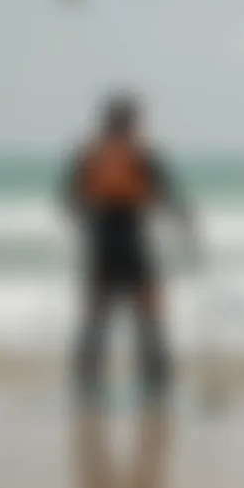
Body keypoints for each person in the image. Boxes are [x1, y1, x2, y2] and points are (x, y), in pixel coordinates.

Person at [62, 91, 192, 401]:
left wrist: (90, 218)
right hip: (134, 241)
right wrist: (186, 220)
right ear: (133, 123)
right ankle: (157, 385)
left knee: (96, 319)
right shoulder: (142, 155)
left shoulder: (89, 156)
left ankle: (86, 385)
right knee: (149, 319)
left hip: (101, 242)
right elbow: (168, 196)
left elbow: (70, 201)